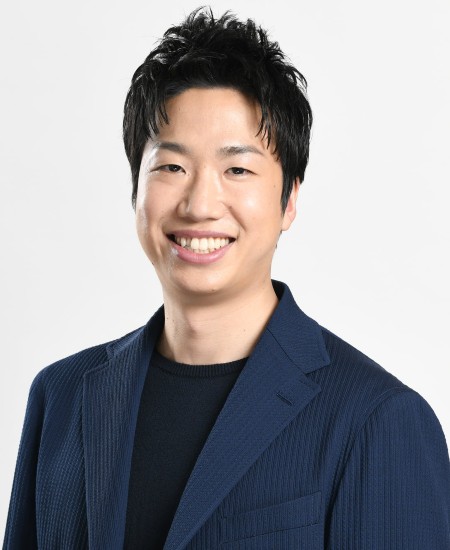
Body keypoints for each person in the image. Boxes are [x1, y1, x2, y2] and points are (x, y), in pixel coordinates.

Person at [3, 7, 450, 550]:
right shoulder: (62, 397)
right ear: (136, 188)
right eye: (171, 167)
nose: (199, 204)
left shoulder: (379, 419)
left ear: (289, 200)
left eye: (237, 169)